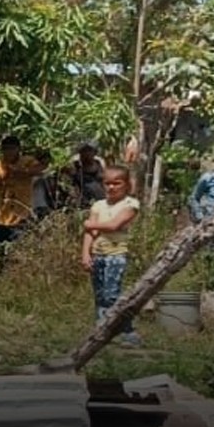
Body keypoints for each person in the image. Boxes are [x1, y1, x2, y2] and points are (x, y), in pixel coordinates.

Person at [81, 165, 143, 347]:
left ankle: (128, 332)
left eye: (117, 183)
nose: (112, 187)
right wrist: (85, 254)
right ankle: (102, 331)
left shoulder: (130, 204)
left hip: (116, 254)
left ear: (126, 185)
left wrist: (89, 224)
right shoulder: (98, 205)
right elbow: (89, 233)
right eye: (108, 183)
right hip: (98, 254)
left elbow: (114, 225)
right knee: (100, 296)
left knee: (112, 295)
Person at [0, 135, 47, 256]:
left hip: (20, 216)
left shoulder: (27, 161)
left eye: (12, 148)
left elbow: (39, 169)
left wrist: (22, 172)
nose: (9, 152)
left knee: (19, 253)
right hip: (0, 216)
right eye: (6, 149)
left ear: (18, 149)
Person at [70, 142, 107, 207]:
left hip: (102, 198)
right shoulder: (75, 166)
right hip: (85, 201)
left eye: (89, 151)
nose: (87, 154)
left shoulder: (99, 163)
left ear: (94, 153)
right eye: (84, 151)